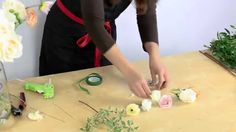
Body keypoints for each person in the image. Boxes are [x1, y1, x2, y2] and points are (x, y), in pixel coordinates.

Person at [39, 0, 169, 98]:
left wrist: (155, 56)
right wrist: (129, 72)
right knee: (64, 95)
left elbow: (146, 8)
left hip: (105, 41)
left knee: (101, 93)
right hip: (65, 37)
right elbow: (95, 26)